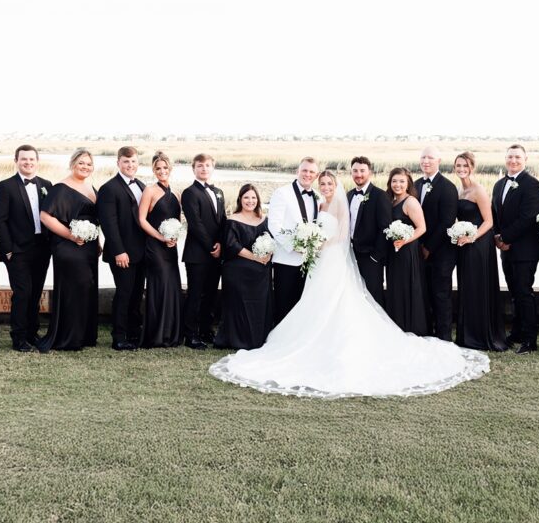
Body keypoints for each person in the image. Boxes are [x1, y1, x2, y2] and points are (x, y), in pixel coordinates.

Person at [209, 170, 489, 398]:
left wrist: (318, 244)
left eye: (330, 183)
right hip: (318, 260)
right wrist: (311, 243)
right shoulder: (318, 204)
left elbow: (343, 234)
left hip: (332, 258)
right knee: (315, 301)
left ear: (335, 185)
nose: (327, 186)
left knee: (338, 300)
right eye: (323, 183)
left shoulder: (340, 205)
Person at [37, 149, 100, 352]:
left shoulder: (91, 187)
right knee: (74, 288)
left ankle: (84, 335)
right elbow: (45, 216)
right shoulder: (61, 188)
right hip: (68, 246)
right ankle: (68, 337)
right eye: (81, 163)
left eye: (89, 164)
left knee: (87, 288)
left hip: (89, 246)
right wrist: (71, 235)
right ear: (73, 164)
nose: (85, 167)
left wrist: (97, 242)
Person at [0, 145, 52, 352]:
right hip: (17, 251)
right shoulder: (5, 186)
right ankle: (18, 337)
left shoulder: (46, 185)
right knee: (22, 292)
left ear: (37, 161)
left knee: (36, 293)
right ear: (16, 160)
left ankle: (32, 333)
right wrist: (7, 249)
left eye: (31, 159)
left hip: (42, 248)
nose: (28, 163)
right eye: (23, 159)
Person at [492, 144, 539, 354]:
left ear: (525, 159)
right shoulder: (498, 185)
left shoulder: (532, 185)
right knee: (514, 292)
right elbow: (495, 213)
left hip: (525, 250)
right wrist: (497, 236)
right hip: (505, 249)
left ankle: (530, 340)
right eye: (510, 157)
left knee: (524, 292)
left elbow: (528, 217)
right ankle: (517, 332)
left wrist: (505, 237)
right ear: (505, 159)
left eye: (517, 157)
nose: (513, 161)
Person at [452, 152, 507, 352]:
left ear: (472, 167)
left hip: (478, 245)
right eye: (458, 165)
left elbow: (489, 221)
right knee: (467, 286)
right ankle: (467, 334)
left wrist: (471, 237)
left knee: (478, 286)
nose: (461, 169)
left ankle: (481, 335)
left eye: (465, 166)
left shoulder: (478, 190)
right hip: (464, 244)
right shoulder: (459, 189)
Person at [97, 146, 147, 350]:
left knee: (136, 294)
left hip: (142, 252)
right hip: (122, 253)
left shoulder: (142, 185)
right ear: (118, 163)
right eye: (126, 161)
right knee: (124, 293)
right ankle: (118, 337)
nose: (130, 165)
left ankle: (134, 332)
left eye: (133, 161)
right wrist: (119, 251)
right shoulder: (109, 188)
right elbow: (109, 223)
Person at [214, 184, 275, 349]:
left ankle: (259, 337)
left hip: (261, 268)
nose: (250, 201)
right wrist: (256, 257)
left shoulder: (264, 220)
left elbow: (271, 241)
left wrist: (268, 255)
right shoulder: (233, 219)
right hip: (238, 268)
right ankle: (238, 338)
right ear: (240, 199)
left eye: (253, 198)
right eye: (247, 197)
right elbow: (232, 245)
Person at [180, 153, 226, 350]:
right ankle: (190, 335)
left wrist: (222, 244)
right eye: (200, 166)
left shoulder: (219, 192)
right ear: (194, 169)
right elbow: (196, 224)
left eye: (207, 165)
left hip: (217, 252)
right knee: (195, 294)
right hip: (197, 254)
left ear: (212, 168)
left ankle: (206, 330)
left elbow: (223, 220)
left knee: (210, 294)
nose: (204, 169)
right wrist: (211, 247)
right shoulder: (190, 193)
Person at [138, 151, 183, 349]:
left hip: (170, 247)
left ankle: (171, 333)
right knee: (160, 287)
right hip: (155, 247)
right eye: (158, 168)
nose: (162, 171)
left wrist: (174, 237)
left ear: (170, 169)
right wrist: (160, 237)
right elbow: (141, 220)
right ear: (153, 171)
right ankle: (156, 335)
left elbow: (177, 221)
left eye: (165, 168)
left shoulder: (177, 194)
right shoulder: (150, 191)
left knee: (172, 287)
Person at [268, 157, 320, 325]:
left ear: (316, 175)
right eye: (304, 170)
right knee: (284, 304)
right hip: (286, 259)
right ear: (297, 171)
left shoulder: (318, 197)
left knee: (302, 305)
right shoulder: (282, 193)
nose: (307, 174)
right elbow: (274, 225)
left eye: (312, 172)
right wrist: (293, 246)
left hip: (308, 261)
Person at [415, 146, 459, 341]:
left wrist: (428, 247)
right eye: (423, 157)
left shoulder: (448, 187)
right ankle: (425, 331)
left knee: (441, 295)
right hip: (418, 250)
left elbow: (446, 222)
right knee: (423, 293)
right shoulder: (414, 185)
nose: (426, 161)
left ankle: (443, 336)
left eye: (430, 158)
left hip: (442, 252)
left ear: (438, 161)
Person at [384, 168, 429, 335]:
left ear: (408, 183)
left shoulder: (411, 202)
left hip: (407, 251)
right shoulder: (391, 201)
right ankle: (397, 325)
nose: (398, 185)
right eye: (394, 181)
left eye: (402, 181)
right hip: (394, 252)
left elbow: (422, 228)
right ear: (390, 183)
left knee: (406, 287)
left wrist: (405, 240)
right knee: (395, 287)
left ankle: (410, 326)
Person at [347, 156, 391, 306]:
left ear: (370, 172)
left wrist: (375, 257)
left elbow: (385, 228)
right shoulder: (349, 195)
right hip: (351, 255)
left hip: (371, 256)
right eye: (355, 171)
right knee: (354, 293)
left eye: (362, 171)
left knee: (374, 294)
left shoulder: (380, 196)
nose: (358, 174)